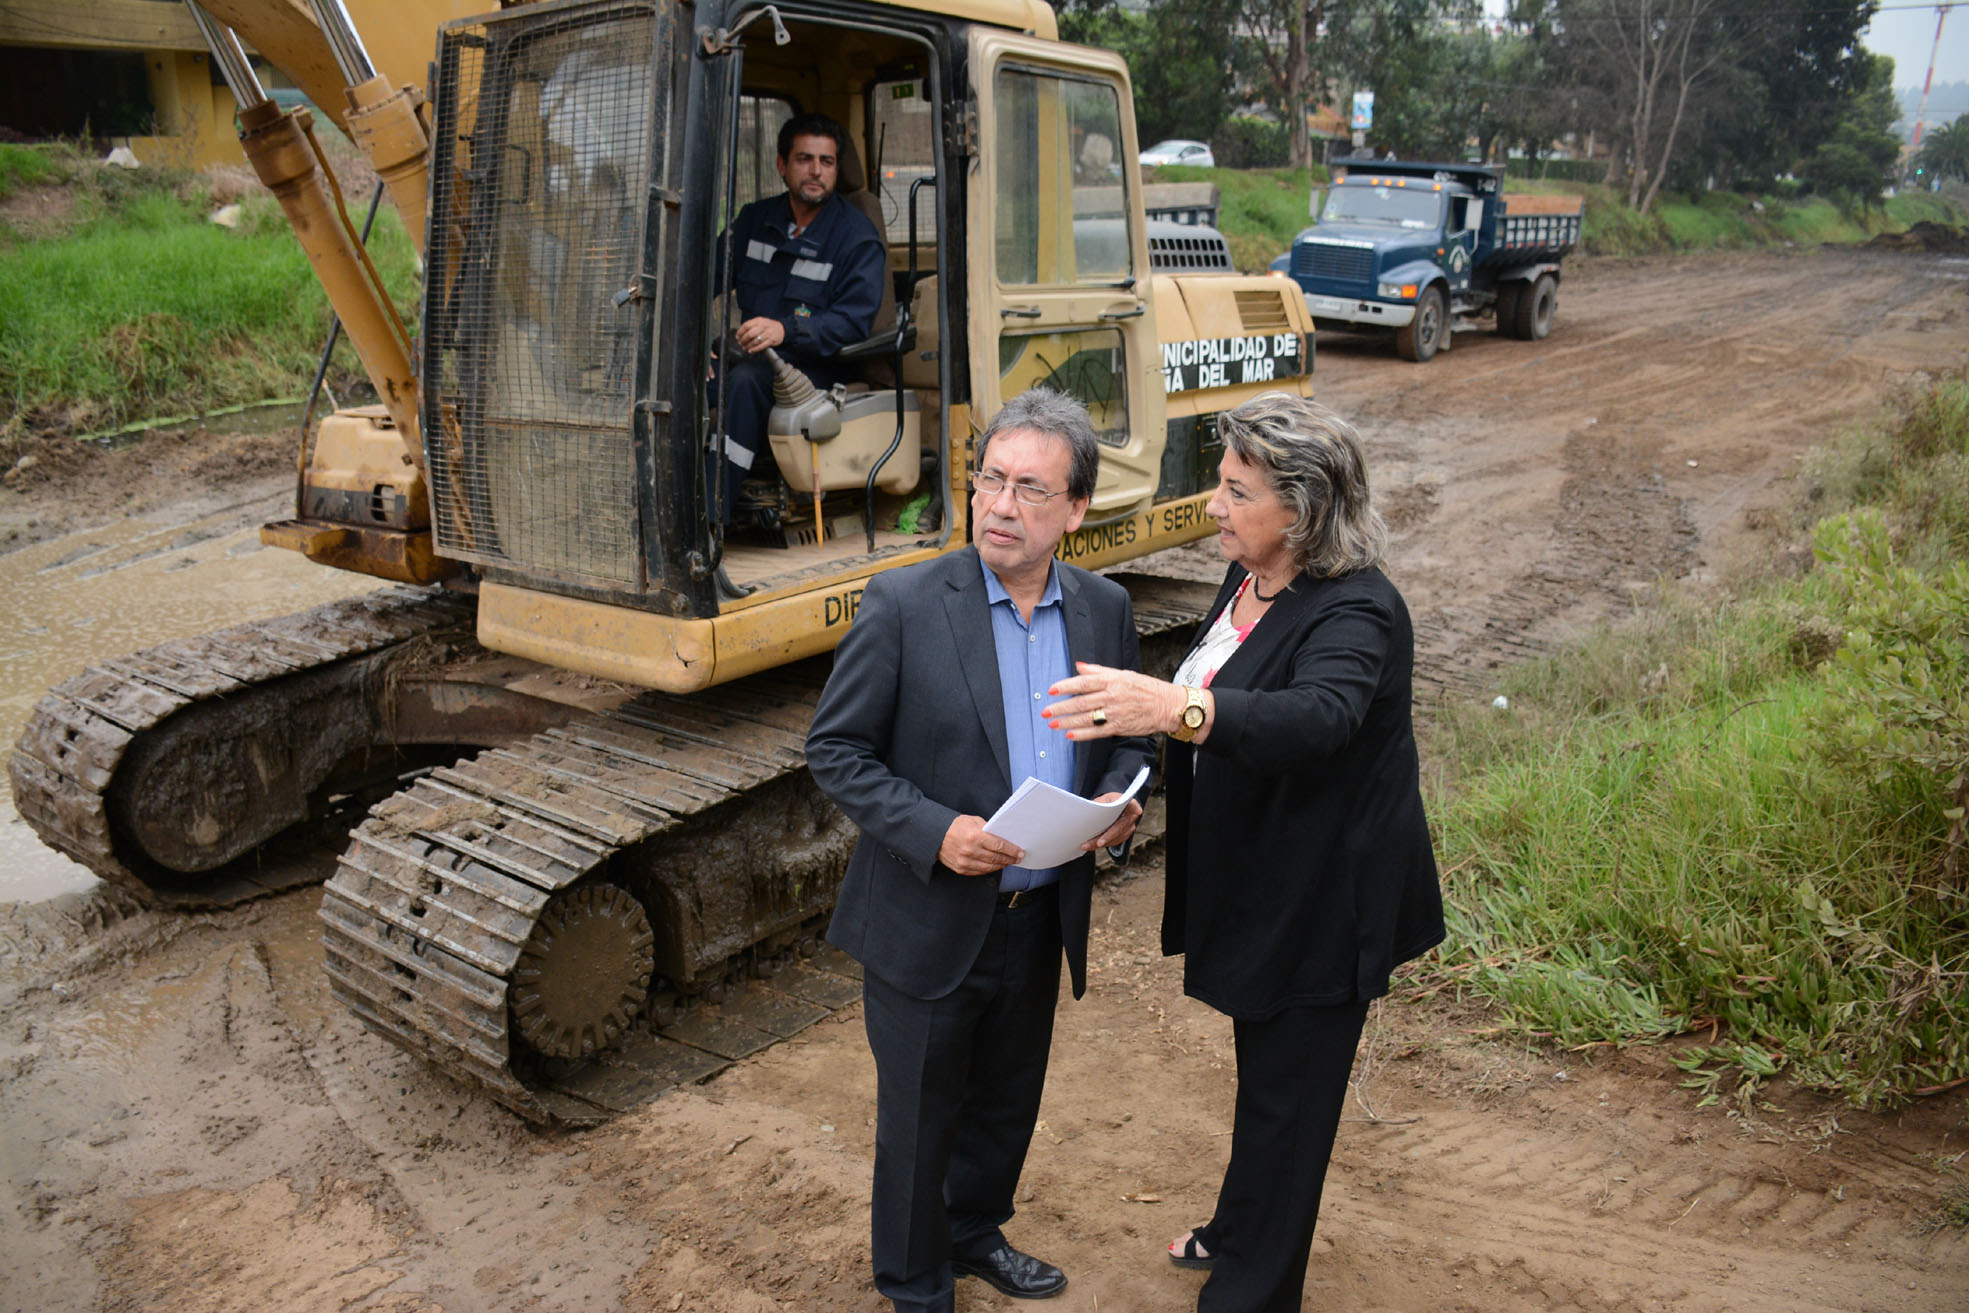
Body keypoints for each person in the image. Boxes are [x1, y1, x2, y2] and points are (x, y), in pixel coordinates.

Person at [1042, 392, 1444, 1312]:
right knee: (1267, 1082)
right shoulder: (1251, 581)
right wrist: (1133, 790)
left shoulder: (1358, 609)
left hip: (1322, 904)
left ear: (1300, 510)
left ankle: (1252, 1289)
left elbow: (1317, 717)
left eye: (1233, 491)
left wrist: (1166, 709)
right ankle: (1239, 1224)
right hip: (1264, 885)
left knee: (1288, 1103)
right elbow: (1210, 694)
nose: (1212, 508)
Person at [806, 388, 1155, 1313]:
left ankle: (974, 1231)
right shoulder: (907, 603)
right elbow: (835, 750)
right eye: (990, 481)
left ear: (1075, 509)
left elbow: (1129, 740)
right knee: (920, 1118)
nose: (1001, 505)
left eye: (1030, 489)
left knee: (1005, 1100)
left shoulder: (1104, 609)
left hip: (1037, 915)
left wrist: (1121, 800)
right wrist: (937, 830)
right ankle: (916, 1285)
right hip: (929, 915)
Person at [712, 112, 886, 511]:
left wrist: (786, 331)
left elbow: (853, 322)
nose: (815, 171)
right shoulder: (756, 219)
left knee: (744, 384)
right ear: (782, 165)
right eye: (804, 159)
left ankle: (711, 517)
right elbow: (704, 278)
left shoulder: (856, 236)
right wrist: (694, 349)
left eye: (826, 162)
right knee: (687, 383)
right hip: (754, 356)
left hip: (821, 364)